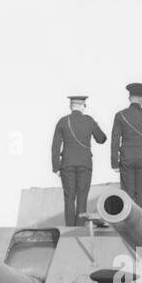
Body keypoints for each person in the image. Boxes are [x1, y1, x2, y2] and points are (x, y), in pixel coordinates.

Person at [51, 95, 107, 226]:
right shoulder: (89, 121)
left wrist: (56, 167)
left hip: (67, 165)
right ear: (82, 106)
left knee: (69, 197)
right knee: (82, 197)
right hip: (85, 164)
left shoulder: (63, 121)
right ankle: (80, 229)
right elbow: (101, 139)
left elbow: (55, 146)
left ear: (71, 106)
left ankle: (69, 228)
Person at [109, 83, 142, 210]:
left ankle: (127, 224)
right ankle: (139, 225)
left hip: (127, 157)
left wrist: (114, 163)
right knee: (141, 194)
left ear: (129, 98)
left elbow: (115, 139)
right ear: (141, 99)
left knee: (127, 195)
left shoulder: (120, 115)